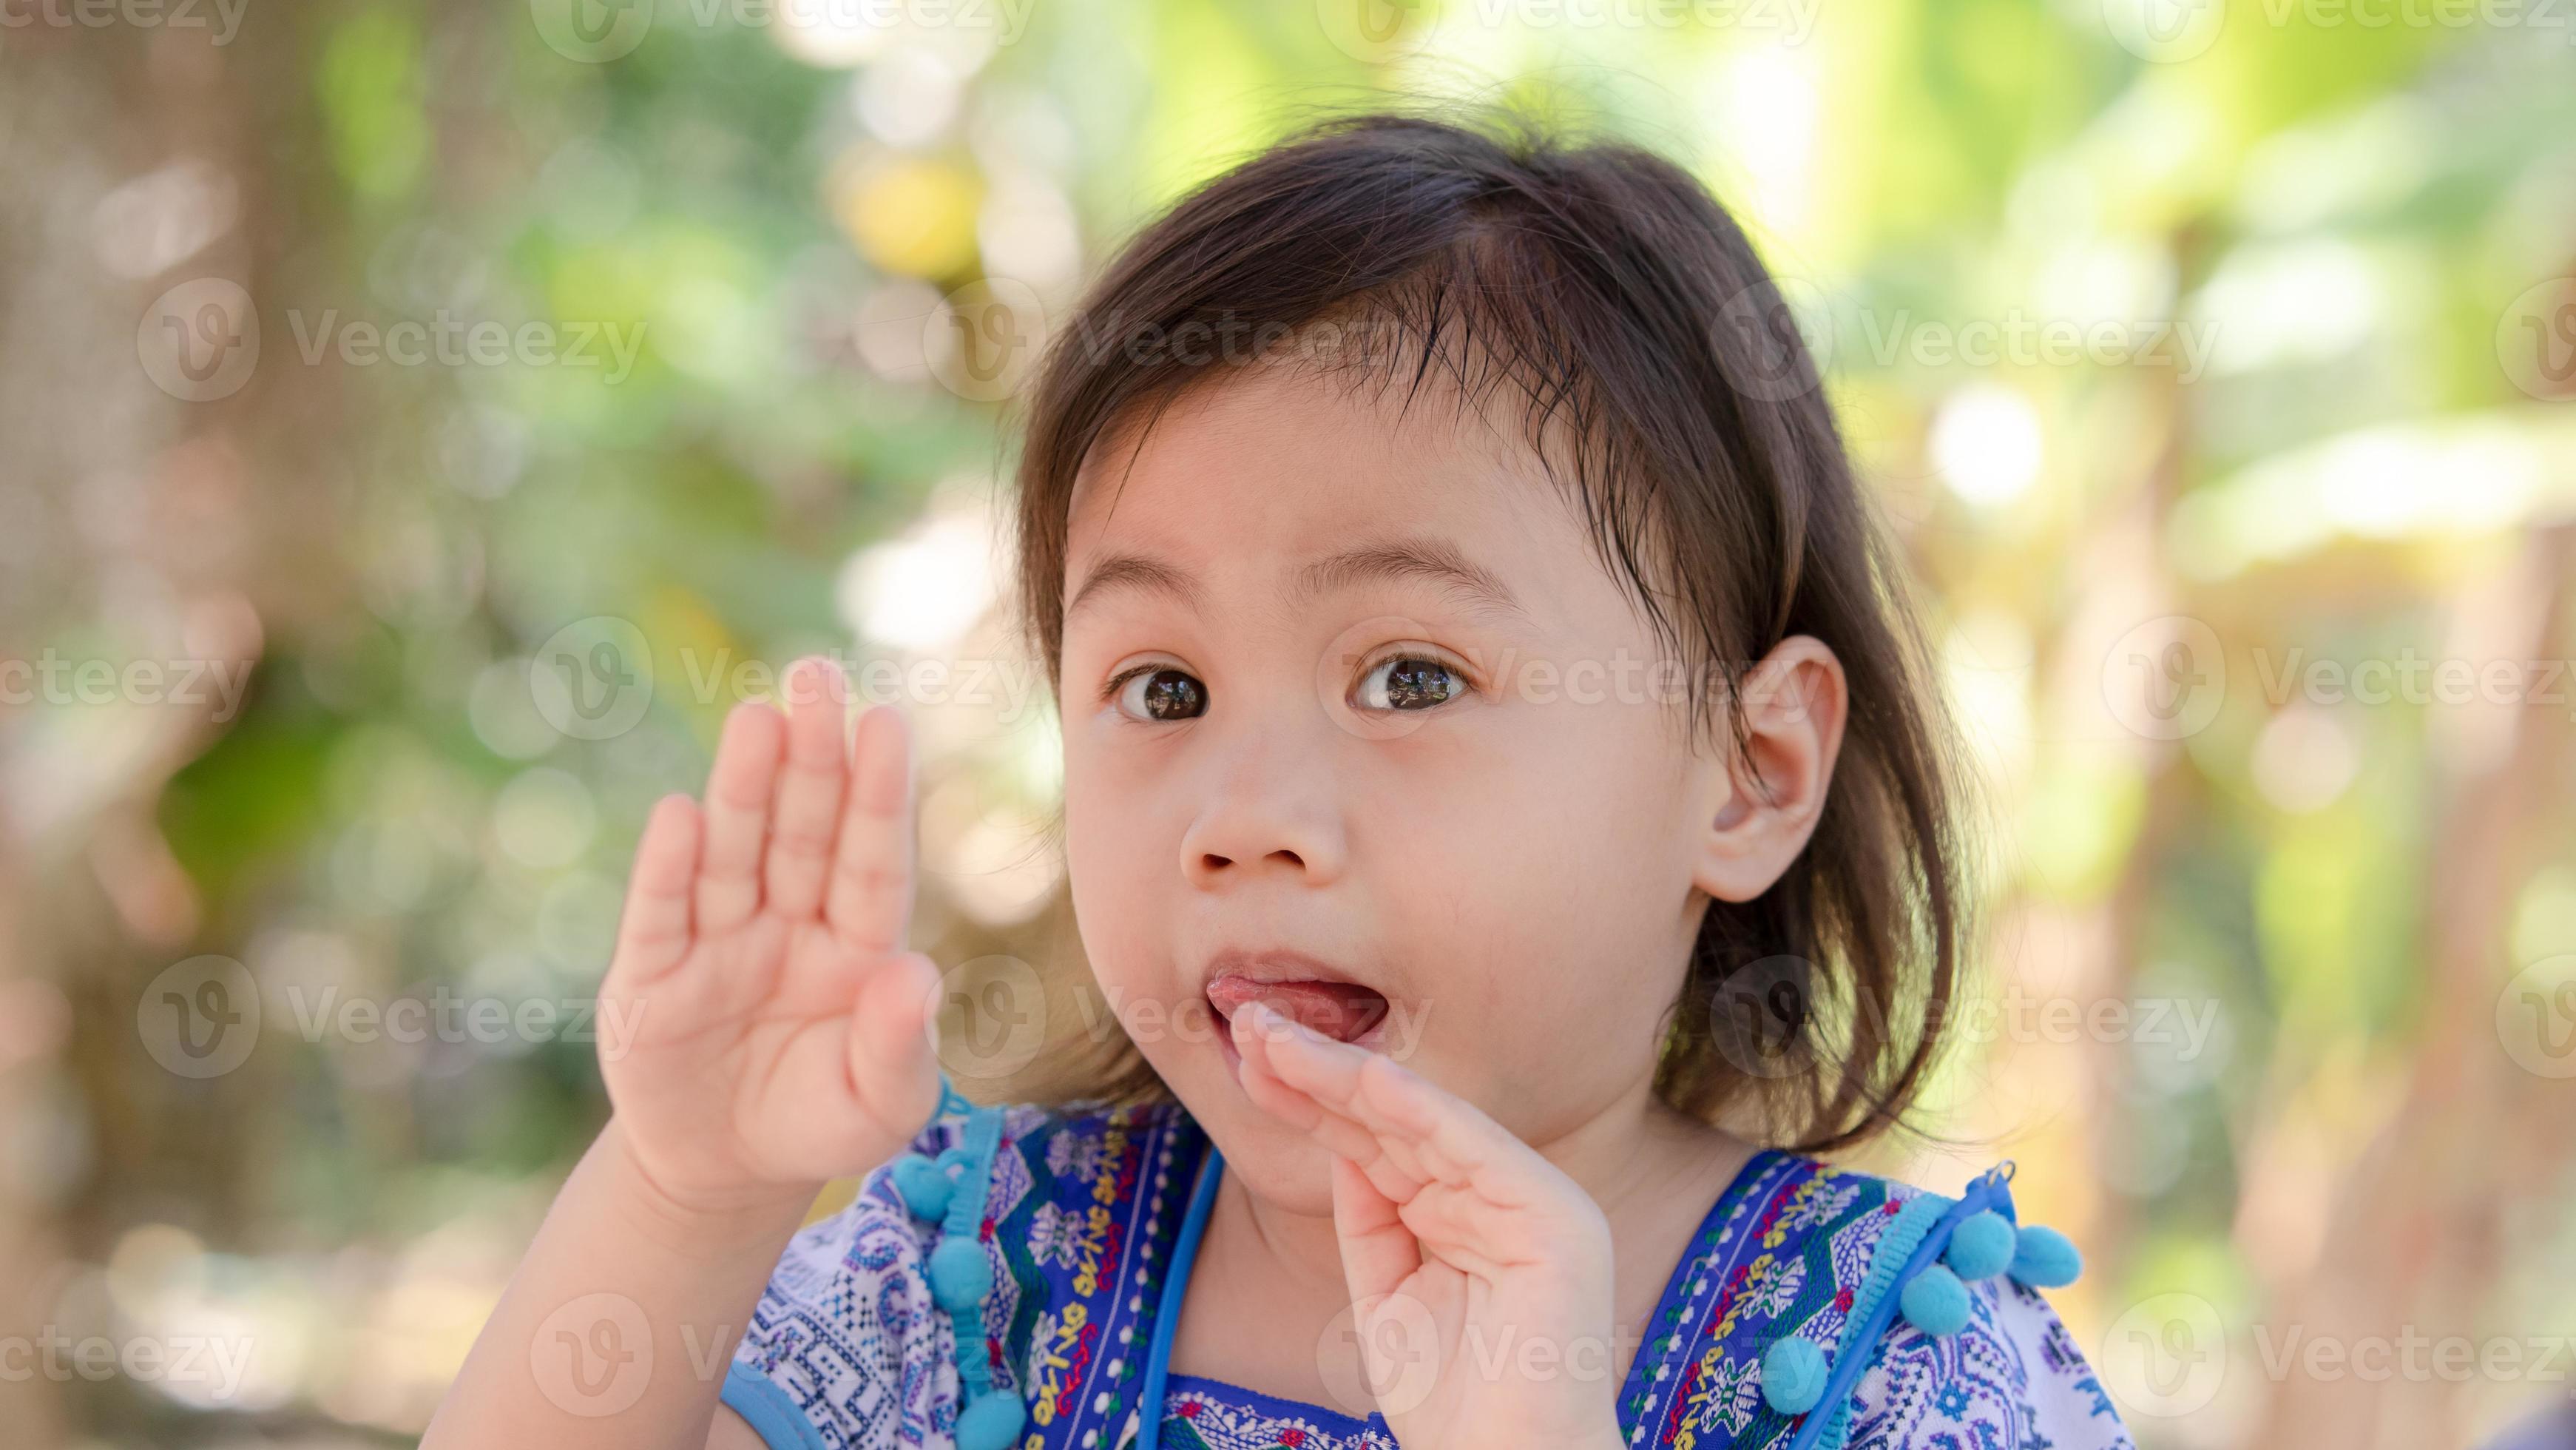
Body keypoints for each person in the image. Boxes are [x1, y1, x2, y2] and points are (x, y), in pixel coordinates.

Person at [425, 110, 2134, 1450]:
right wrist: (685, 1192)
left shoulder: (1905, 1362)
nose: (1242, 814)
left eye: (1408, 675)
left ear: (1750, 771)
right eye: (1159, 685)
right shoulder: (984, 1276)